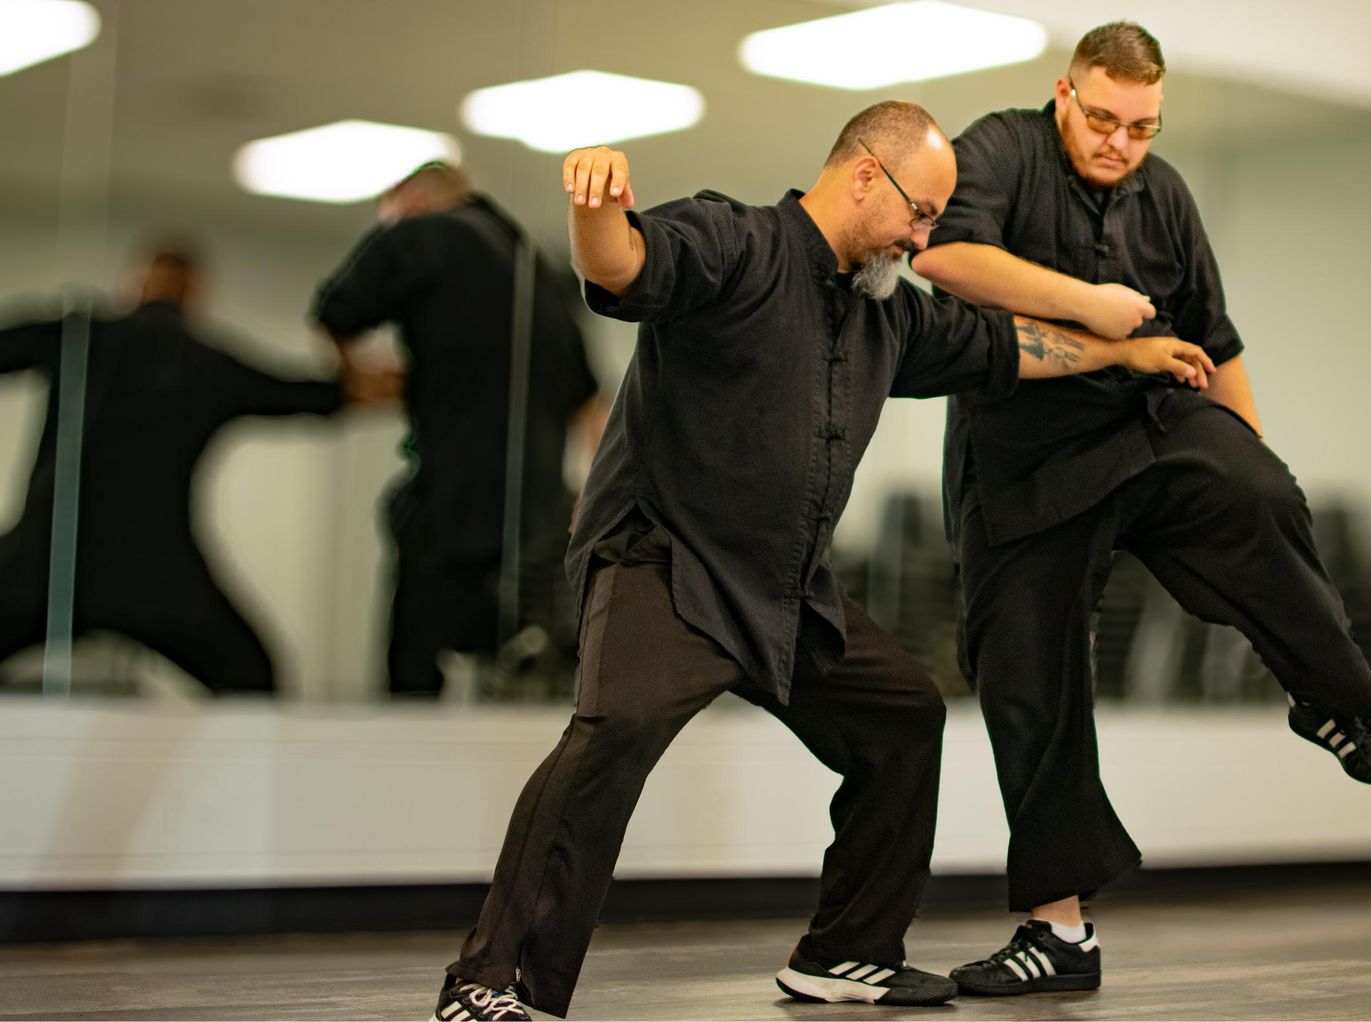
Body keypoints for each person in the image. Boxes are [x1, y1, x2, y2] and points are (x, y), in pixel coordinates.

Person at [432, 100, 1215, 1020]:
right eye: (920, 214)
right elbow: (623, 264)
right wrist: (593, 203)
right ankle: (487, 986)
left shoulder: (889, 315)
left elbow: (1009, 347)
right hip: (666, 560)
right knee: (614, 737)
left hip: (784, 584)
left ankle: (846, 952)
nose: (925, 241)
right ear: (861, 177)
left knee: (902, 720)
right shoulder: (733, 241)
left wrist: (1128, 352)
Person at [911, 21, 1371, 996]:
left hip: (1145, 424)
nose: (1119, 142)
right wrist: (1090, 305)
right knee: (1028, 677)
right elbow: (947, 258)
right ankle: (1058, 932)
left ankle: (1332, 703)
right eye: (1102, 118)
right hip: (1023, 461)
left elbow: (1216, 343)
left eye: (1141, 126)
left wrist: (1254, 456)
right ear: (1066, 94)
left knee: (1260, 488)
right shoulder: (1003, 149)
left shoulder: (1166, 192)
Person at [0, 243, 376, 694]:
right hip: (157, 575)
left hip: (44, 561)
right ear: (195, 296)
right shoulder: (207, 363)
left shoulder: (81, 335)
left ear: (134, 286)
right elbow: (301, 394)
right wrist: (359, 383)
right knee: (251, 679)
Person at [312, 163, 608, 699]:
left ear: (412, 203)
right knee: (502, 647)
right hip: (533, 508)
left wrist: (366, 379)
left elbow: (334, 314)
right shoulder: (532, 264)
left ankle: (404, 766)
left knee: (414, 666)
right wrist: (593, 495)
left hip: (452, 493)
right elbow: (591, 403)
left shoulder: (421, 232)